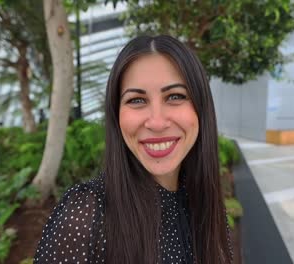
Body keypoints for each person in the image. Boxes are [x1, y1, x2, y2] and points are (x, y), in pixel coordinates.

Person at [34, 35, 233, 264]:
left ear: (201, 108)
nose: (157, 123)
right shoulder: (84, 216)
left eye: (175, 96)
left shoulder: (210, 210)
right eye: (137, 100)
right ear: (116, 113)